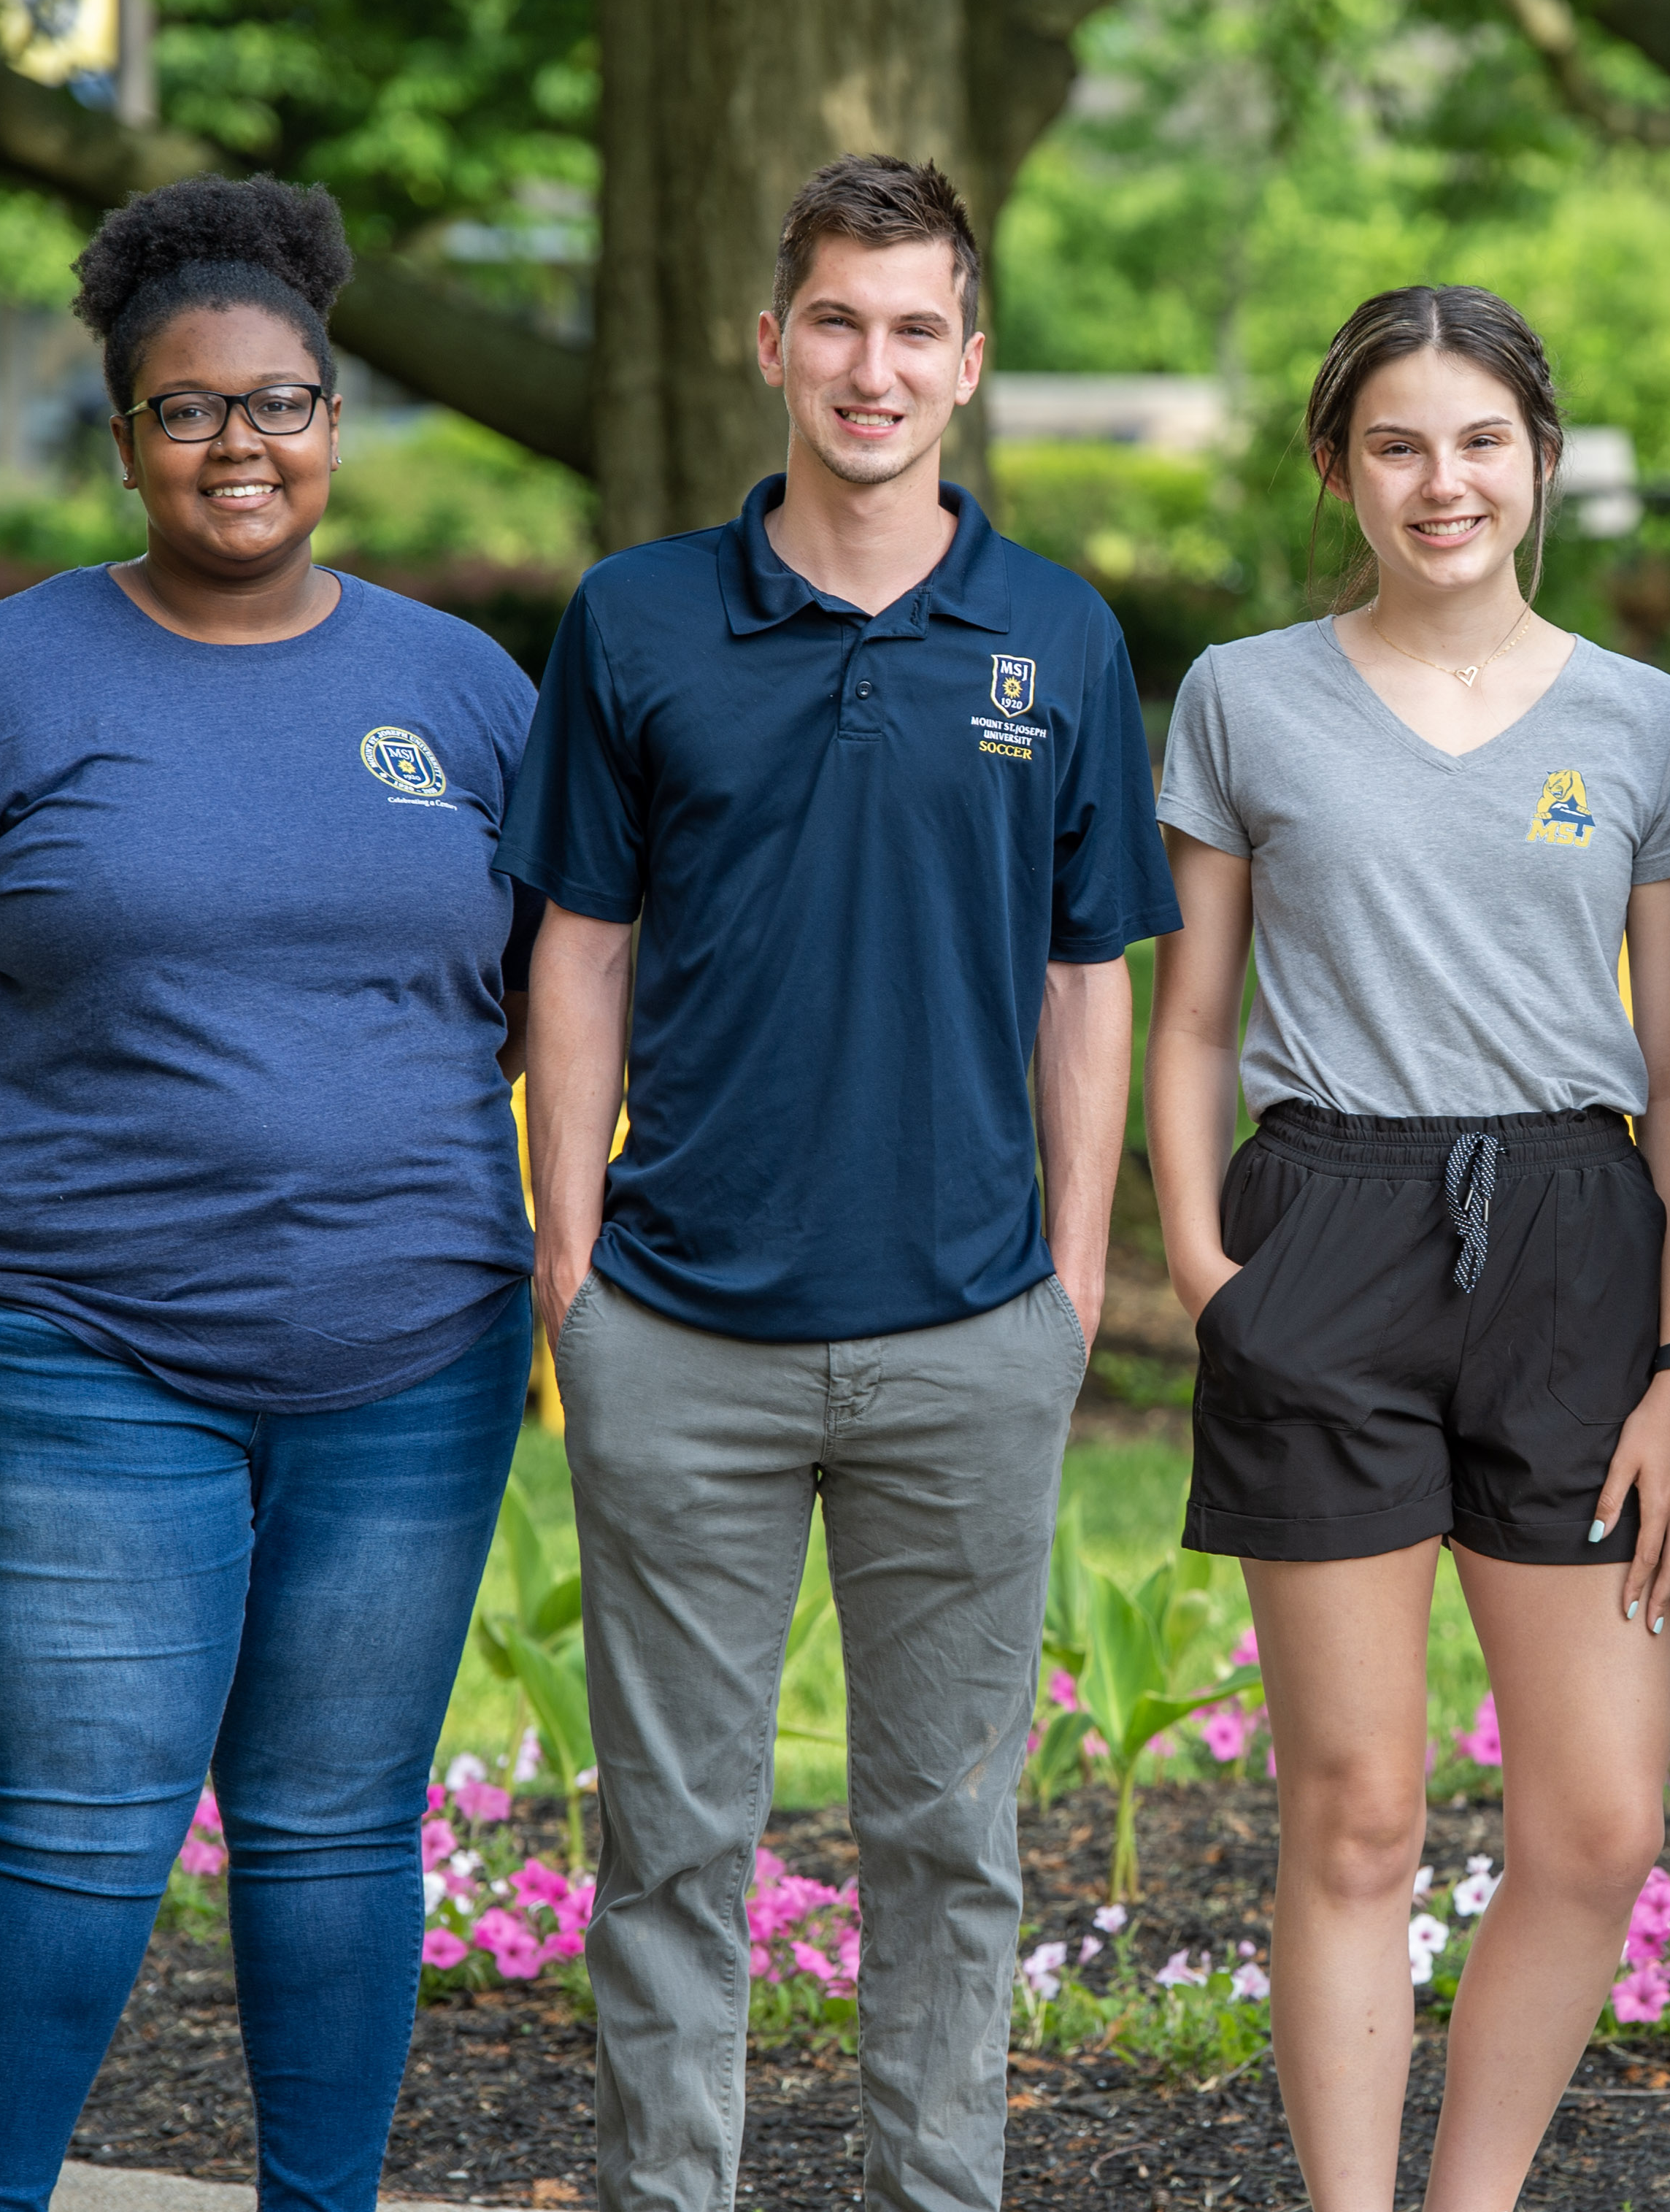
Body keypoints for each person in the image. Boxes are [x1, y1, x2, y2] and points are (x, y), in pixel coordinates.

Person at [0, 174, 540, 2212]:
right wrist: (40, 1203)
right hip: (76, 1345)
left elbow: (550, 989)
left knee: (333, 1823)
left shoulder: (468, 695)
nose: (244, 446)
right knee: (85, 1817)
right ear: (122, 437)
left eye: (282, 403)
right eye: (191, 411)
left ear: (335, 418)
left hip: (415, 1345)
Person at [501, 153, 1177, 2212]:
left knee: (953, 1845)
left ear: (969, 361)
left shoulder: (1056, 637)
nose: (870, 368)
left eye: (914, 331)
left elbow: (1092, 981)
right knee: (674, 1841)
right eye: (836, 323)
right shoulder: (633, 620)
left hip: (969, 1333)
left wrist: (1069, 1280)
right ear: (769, 341)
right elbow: (582, 949)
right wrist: (573, 1262)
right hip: (682, 1332)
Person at [1144, 285, 1670, 2211]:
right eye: (1398, 443)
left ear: (1542, 462)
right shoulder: (1244, 695)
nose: (1442, 480)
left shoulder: (1654, 725)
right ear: (1340, 472)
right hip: (1326, 1226)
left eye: (1482, 441)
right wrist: (1215, 1284)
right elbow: (1195, 1018)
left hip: (1579, 1245)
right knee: (1358, 1810)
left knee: (1597, 1818)